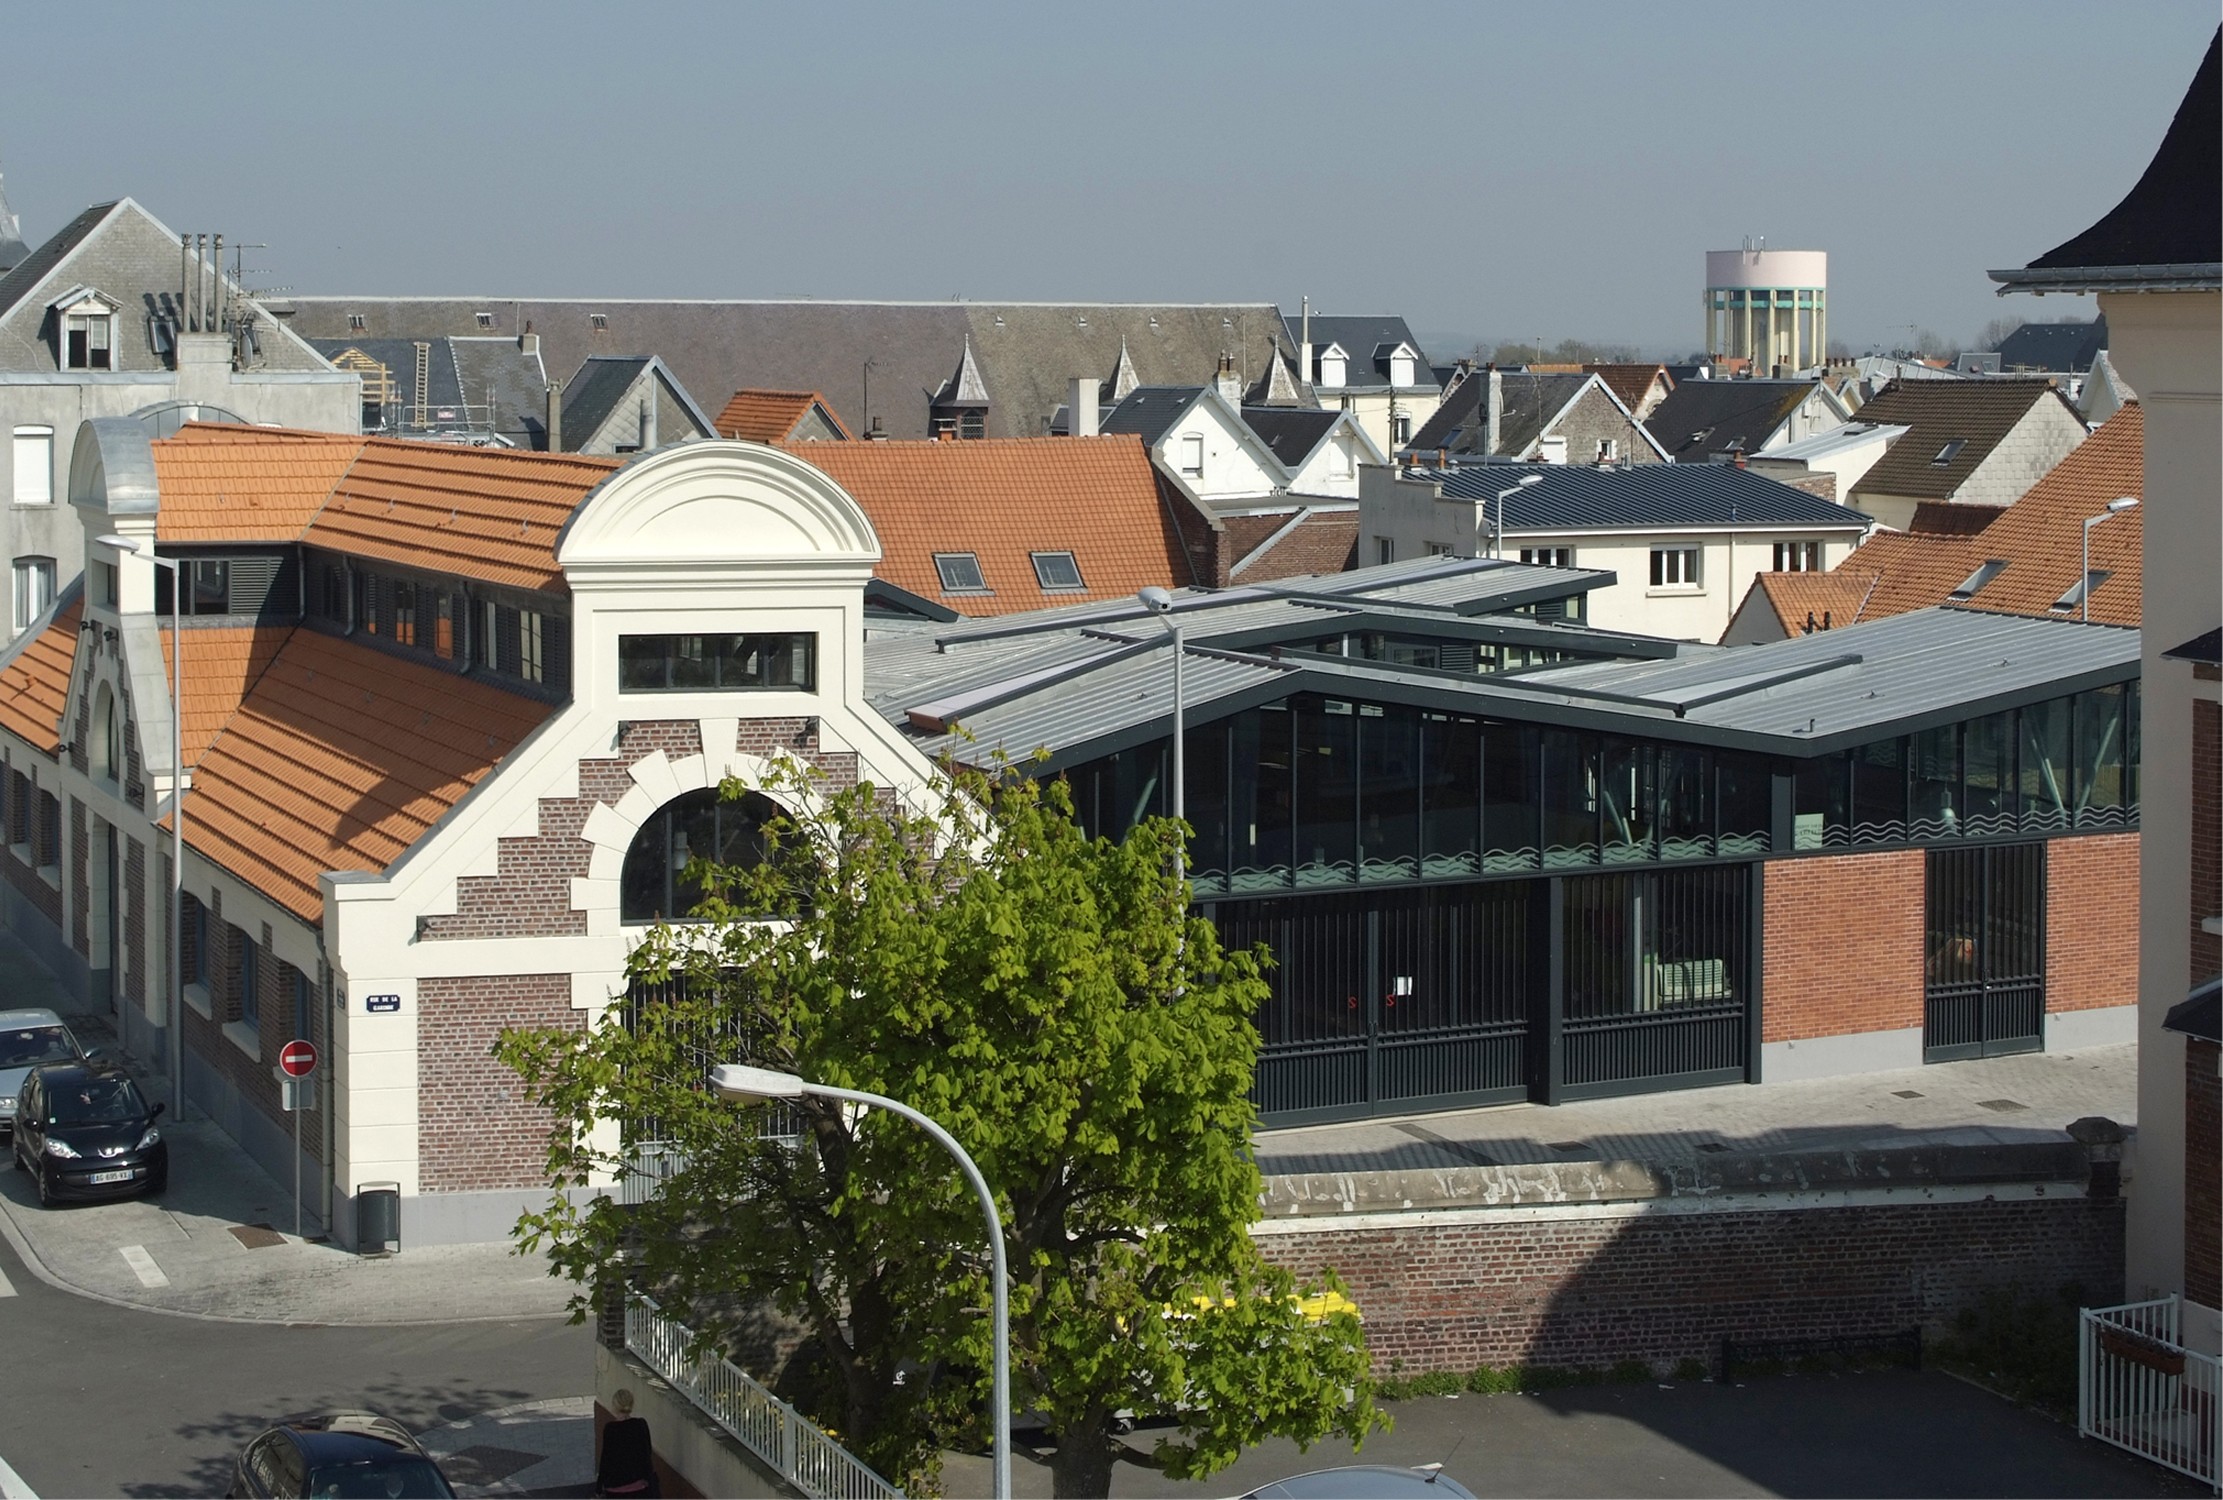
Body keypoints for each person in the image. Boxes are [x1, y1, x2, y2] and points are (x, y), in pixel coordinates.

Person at [597, 1388, 659, 1498]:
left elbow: (606, 1459)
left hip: (615, 1487)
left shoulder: (610, 1429)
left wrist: (599, 1486)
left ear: (614, 1406)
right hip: (638, 1485)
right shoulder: (641, 1425)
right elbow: (646, 1453)